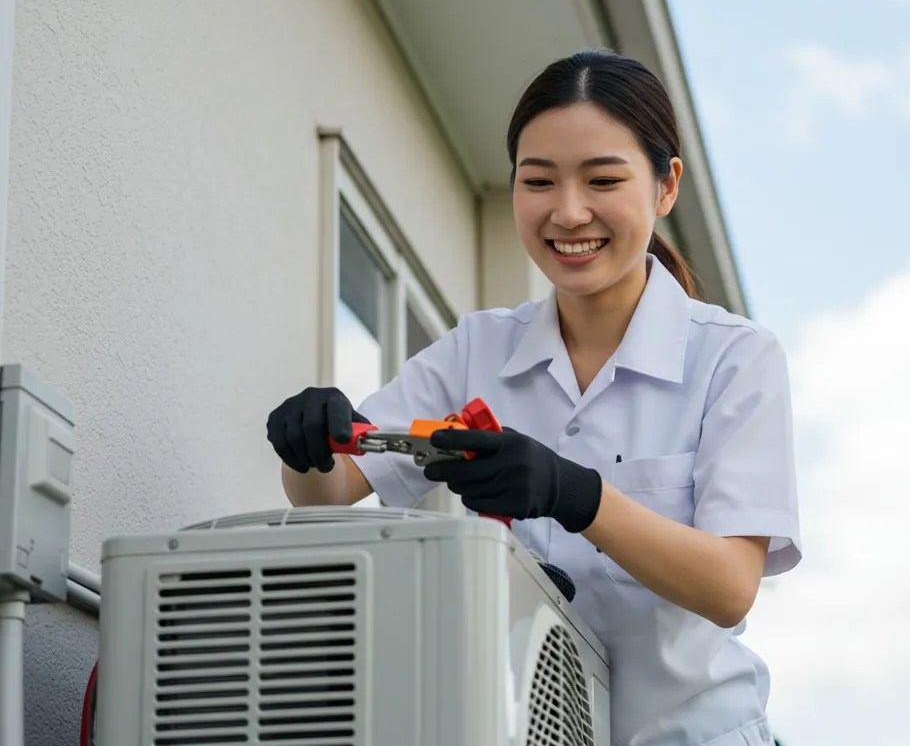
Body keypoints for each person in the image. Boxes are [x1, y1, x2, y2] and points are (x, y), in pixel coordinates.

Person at [265, 49, 801, 746]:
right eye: (538, 180)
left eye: (603, 179)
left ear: (666, 186)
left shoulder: (733, 358)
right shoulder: (477, 350)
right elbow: (328, 490)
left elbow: (730, 586)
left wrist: (576, 494)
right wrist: (307, 440)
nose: (568, 212)